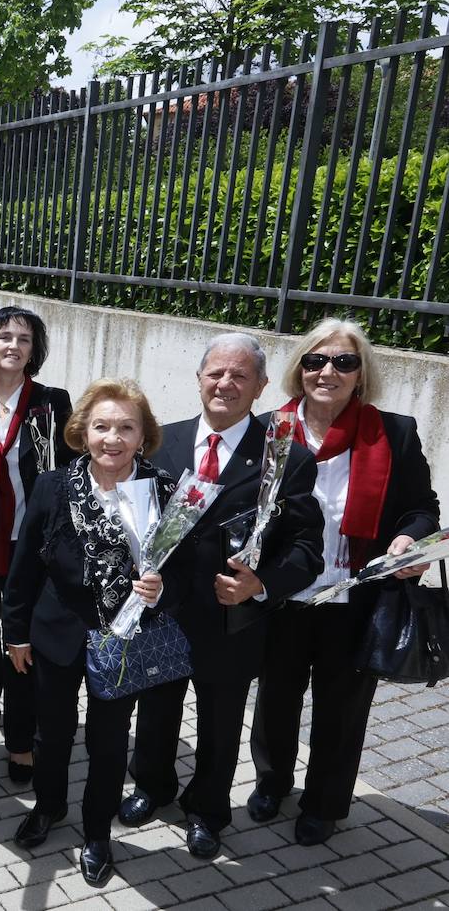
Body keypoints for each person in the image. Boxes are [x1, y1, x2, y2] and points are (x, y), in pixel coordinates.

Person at [120, 333, 323, 860]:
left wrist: (262, 585)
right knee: (157, 710)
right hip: (162, 612)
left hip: (232, 618)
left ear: (259, 386)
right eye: (216, 372)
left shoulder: (287, 459)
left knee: (220, 722)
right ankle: (152, 785)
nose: (225, 384)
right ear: (199, 378)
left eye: (239, 375)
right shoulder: (160, 441)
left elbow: (306, 549)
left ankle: (208, 810)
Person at [248, 318, 440, 845]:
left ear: (361, 373)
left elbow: (423, 509)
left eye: (343, 361)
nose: (327, 371)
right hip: (286, 595)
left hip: (356, 595)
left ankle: (324, 804)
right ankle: (272, 781)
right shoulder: (271, 430)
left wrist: (409, 542)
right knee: (276, 699)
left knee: (342, 709)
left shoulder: (393, 432)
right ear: (299, 368)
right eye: (315, 360)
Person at [3, 378, 174, 886]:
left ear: (143, 436)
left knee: (108, 741)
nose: (113, 439)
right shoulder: (53, 487)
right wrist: (15, 632)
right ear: (82, 431)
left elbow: (184, 567)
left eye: (126, 427)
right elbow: (24, 569)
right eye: (102, 426)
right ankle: (49, 806)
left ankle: (97, 830)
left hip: (124, 639)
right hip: (56, 634)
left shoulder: (162, 491)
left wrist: (162, 587)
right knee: (50, 732)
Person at [0, 306, 73, 781]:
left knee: (20, 636)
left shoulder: (51, 402)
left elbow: (68, 471)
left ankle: (21, 737)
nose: (13, 346)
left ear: (34, 351)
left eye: (24, 340)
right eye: (4, 336)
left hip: (32, 543)